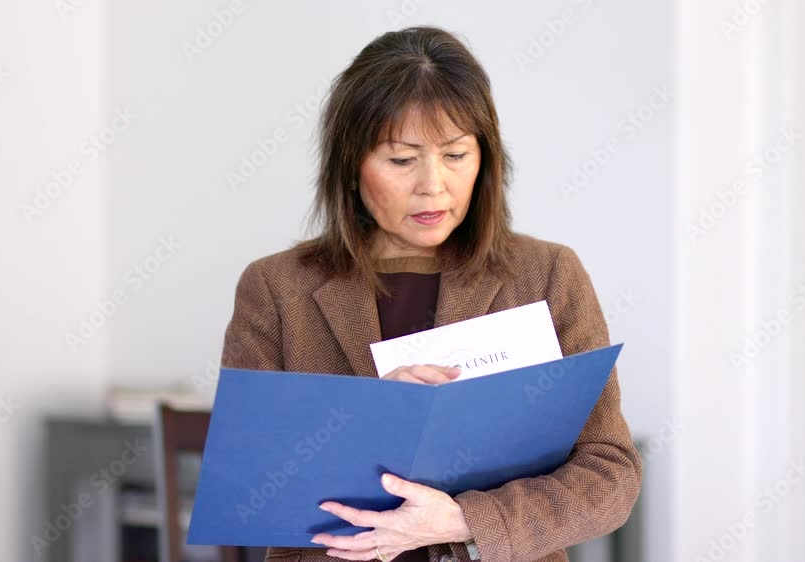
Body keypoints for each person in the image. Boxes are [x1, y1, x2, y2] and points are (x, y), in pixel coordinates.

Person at [220, 26, 642, 562]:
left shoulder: (548, 275)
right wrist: (371, 416)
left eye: (456, 154)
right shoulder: (278, 288)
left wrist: (467, 521)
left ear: (485, 158)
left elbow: (609, 478)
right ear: (350, 166)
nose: (433, 184)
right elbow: (248, 479)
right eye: (401, 160)